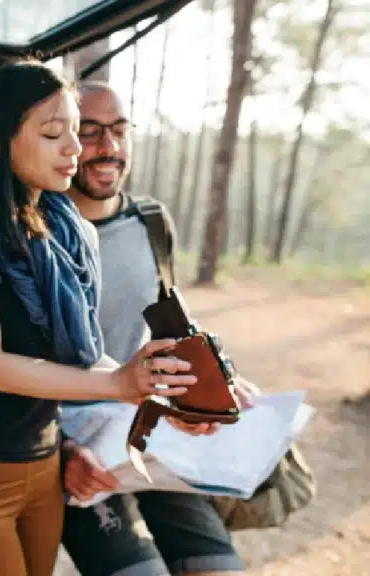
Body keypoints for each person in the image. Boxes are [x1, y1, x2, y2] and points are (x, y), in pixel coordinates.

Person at [0, 59, 197, 576]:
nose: (74, 147)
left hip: (44, 465)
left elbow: (84, 358)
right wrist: (117, 384)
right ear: (0, 141)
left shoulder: (63, 230)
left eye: (74, 130)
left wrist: (157, 388)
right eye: (54, 133)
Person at [60, 81, 259, 576]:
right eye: (90, 132)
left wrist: (217, 380)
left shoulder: (150, 221)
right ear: (61, 140)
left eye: (119, 131)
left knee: (221, 570)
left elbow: (171, 325)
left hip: (153, 438)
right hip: (74, 453)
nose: (109, 148)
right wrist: (60, 449)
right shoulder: (38, 234)